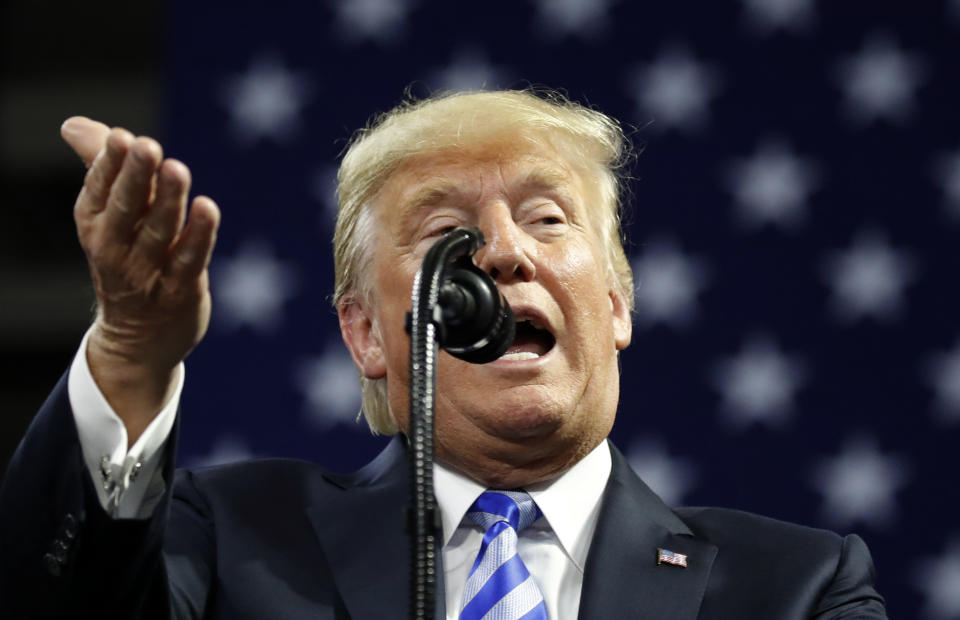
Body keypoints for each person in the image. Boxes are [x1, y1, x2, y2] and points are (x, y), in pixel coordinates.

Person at [0, 89, 887, 619]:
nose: (503, 252)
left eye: (548, 217)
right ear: (366, 334)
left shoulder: (797, 590)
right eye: (447, 230)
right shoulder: (233, 543)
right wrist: (129, 355)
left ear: (615, 304)